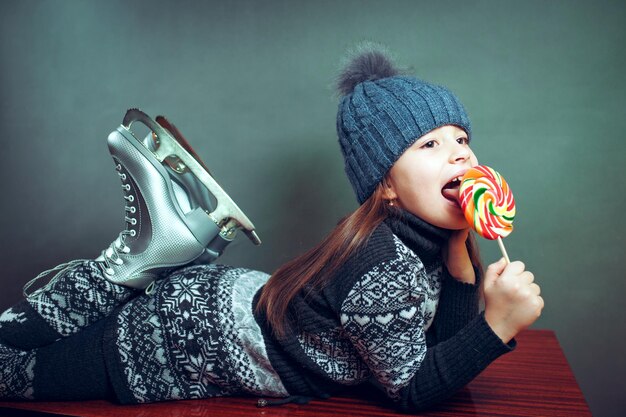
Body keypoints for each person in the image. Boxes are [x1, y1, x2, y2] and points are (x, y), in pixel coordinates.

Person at [0, 46, 544, 412]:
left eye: (462, 140)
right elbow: (414, 389)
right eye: (430, 145)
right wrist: (496, 325)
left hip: (226, 305)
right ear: (386, 187)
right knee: (21, 374)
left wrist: (461, 268)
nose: (459, 155)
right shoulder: (381, 265)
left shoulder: (421, 247)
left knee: (32, 334)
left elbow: (434, 351)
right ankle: (140, 258)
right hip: (187, 341)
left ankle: (156, 252)